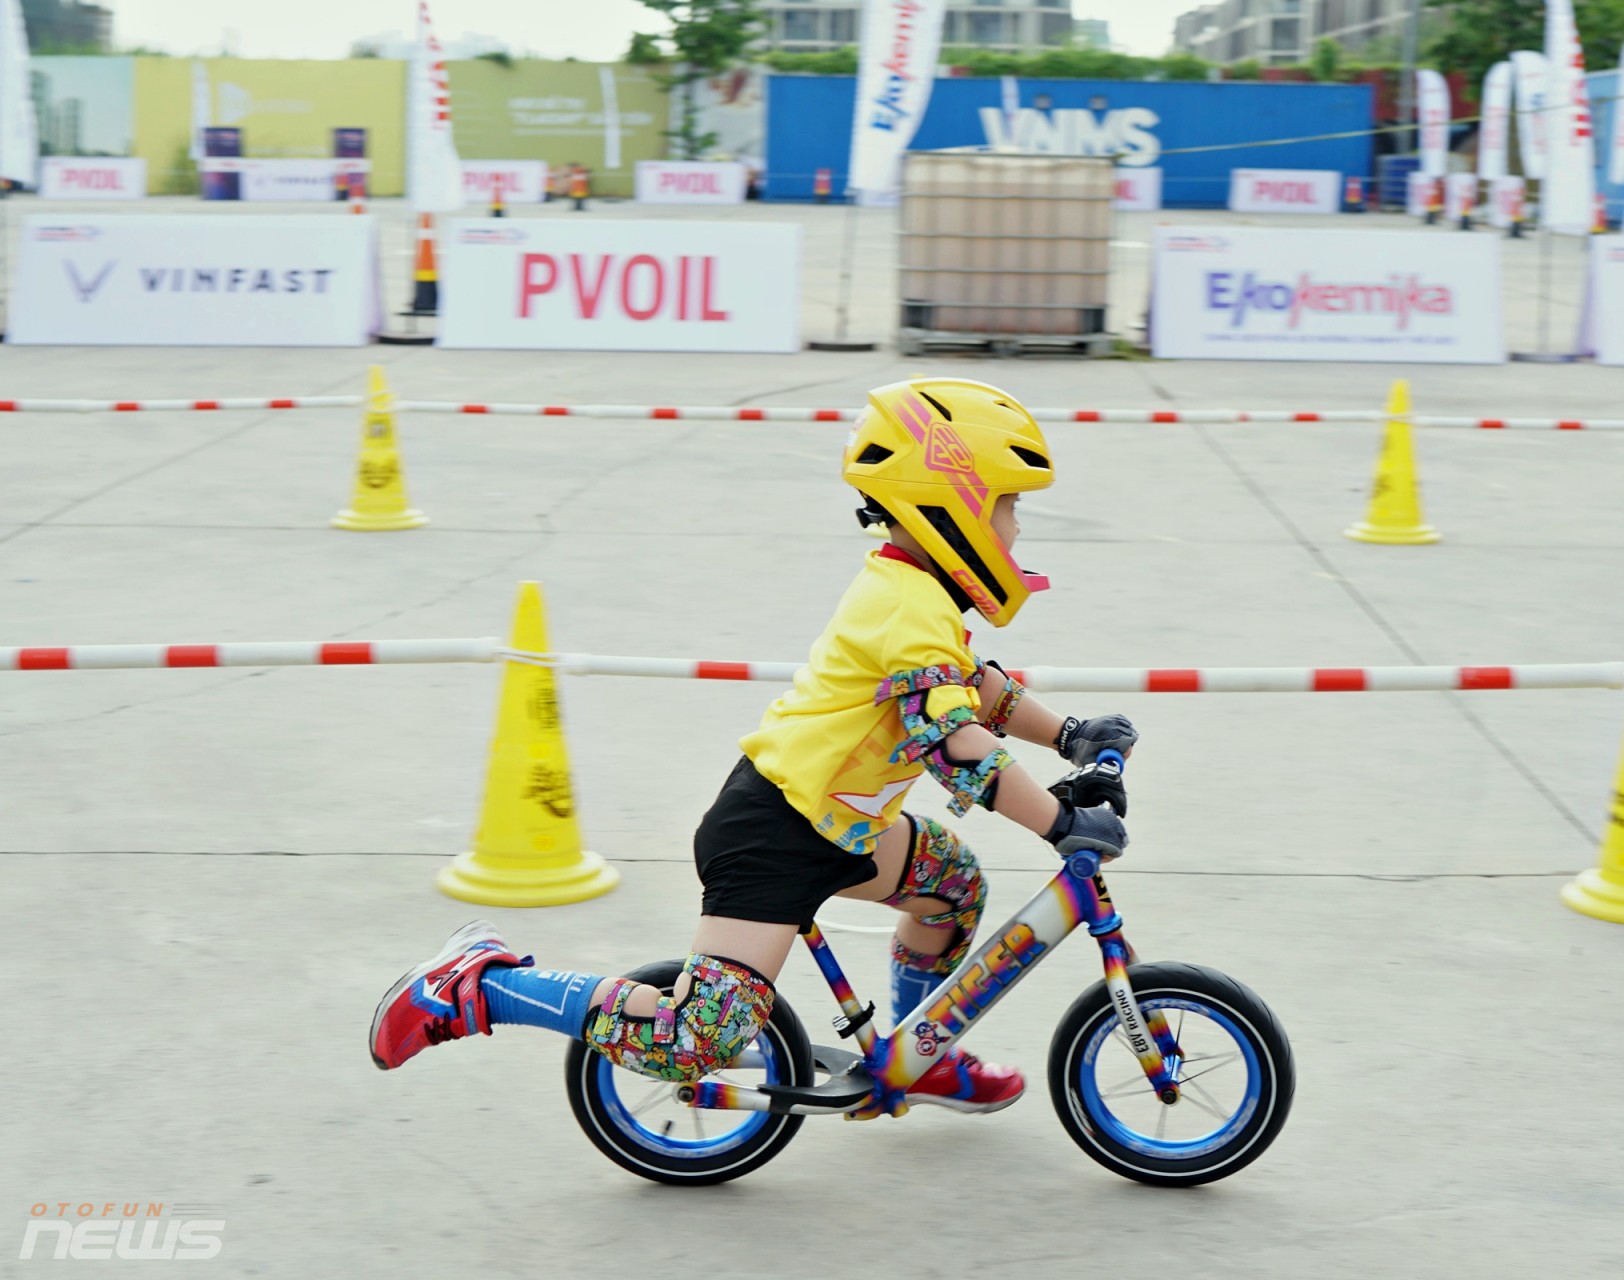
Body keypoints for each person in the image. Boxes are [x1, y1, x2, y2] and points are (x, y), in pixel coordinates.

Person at [369, 377, 1134, 1114]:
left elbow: (974, 687)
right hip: (774, 835)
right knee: (694, 1040)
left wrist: (1071, 736)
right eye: (1009, 505)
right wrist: (1060, 823)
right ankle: (478, 986)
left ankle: (918, 1053)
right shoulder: (906, 605)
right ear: (954, 503)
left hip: (842, 826)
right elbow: (955, 743)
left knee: (952, 885)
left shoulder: (919, 596)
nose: (1016, 528)